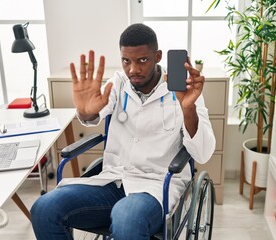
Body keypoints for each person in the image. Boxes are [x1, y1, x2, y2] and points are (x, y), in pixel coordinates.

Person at [30, 23, 215, 240]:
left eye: (142, 60)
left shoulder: (184, 89)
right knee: (44, 209)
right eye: (126, 61)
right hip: (113, 181)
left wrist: (188, 108)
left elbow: (202, 153)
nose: (133, 70)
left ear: (157, 56)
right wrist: (86, 112)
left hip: (157, 187)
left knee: (126, 217)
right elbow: (95, 111)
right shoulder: (118, 83)